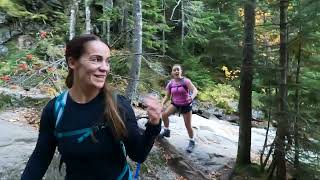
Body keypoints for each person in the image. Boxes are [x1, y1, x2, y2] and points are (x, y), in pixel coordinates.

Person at [21, 34, 162, 180]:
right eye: (96, 59)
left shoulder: (118, 105)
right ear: (72, 62)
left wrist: (154, 123)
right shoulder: (55, 110)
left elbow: (138, 154)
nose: (105, 68)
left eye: (107, 61)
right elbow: (40, 158)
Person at [160, 64, 198, 153]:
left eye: (178, 70)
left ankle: (192, 141)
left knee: (187, 125)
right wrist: (162, 103)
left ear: (181, 71)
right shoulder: (171, 83)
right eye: (174, 70)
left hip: (186, 105)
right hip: (175, 104)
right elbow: (167, 96)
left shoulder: (186, 81)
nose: (176, 71)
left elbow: (195, 90)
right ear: (172, 73)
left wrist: (191, 97)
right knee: (164, 115)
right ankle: (166, 130)